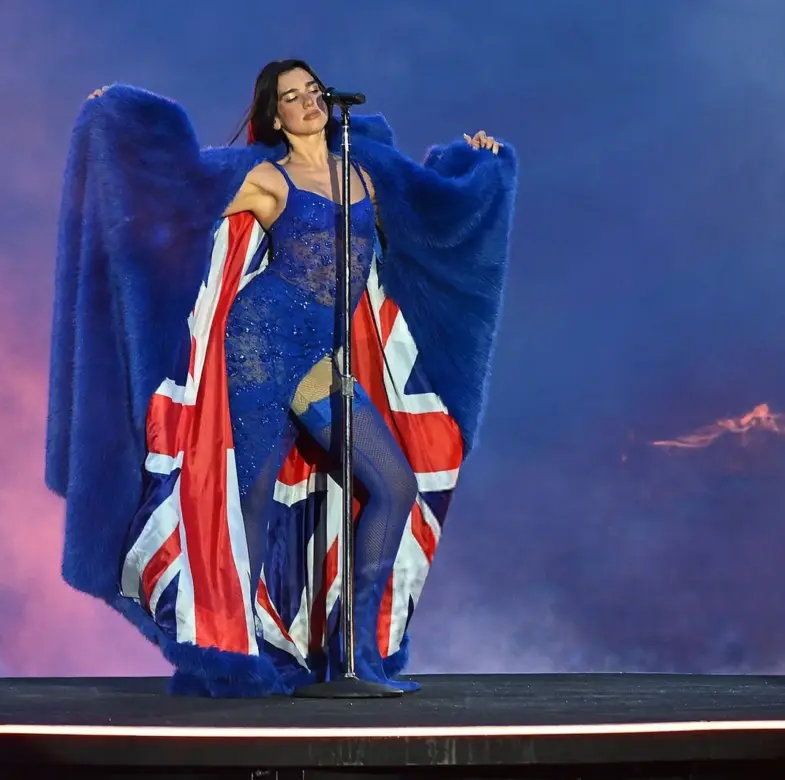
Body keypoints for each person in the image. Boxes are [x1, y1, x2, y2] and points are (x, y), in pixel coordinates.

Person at [46, 59, 518, 697]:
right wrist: (118, 122)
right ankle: (224, 656)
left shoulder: (364, 172)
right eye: (291, 98)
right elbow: (173, 194)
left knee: (394, 486)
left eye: (312, 92)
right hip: (260, 349)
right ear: (275, 115)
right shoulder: (268, 180)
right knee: (248, 506)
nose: (306, 103)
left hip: (322, 364)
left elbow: (437, 209)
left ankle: (355, 656)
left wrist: (474, 161)